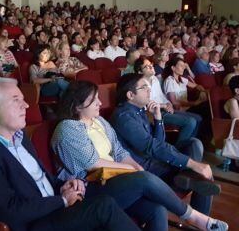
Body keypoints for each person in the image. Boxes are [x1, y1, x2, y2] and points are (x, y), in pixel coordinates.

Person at [0, 78, 141, 231]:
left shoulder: (20, 137)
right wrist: (62, 200)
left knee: (127, 204)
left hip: (54, 208)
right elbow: (9, 211)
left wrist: (64, 185)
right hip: (36, 223)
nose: (26, 105)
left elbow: (42, 180)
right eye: (16, 100)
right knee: (104, 205)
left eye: (23, 99)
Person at [52, 81, 228, 231]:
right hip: (90, 187)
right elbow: (93, 163)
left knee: (157, 209)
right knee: (143, 177)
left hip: (115, 179)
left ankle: (187, 182)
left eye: (98, 97)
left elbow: (120, 152)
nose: (99, 102)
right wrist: (133, 169)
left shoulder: (99, 122)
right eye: (93, 100)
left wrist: (135, 167)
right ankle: (194, 217)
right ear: (77, 106)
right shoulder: (68, 127)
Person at [112, 74, 223, 218]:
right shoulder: (124, 117)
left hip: (155, 160)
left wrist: (158, 118)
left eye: (148, 87)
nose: (149, 90)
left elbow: (160, 142)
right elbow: (152, 147)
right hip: (146, 167)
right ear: (130, 94)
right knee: (202, 175)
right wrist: (192, 164)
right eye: (144, 87)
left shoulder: (140, 111)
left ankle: (186, 177)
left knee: (194, 143)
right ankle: (192, 183)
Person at [134, 57, 200, 146]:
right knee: (191, 122)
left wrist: (168, 103)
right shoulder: (138, 84)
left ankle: (188, 147)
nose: (151, 67)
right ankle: (178, 150)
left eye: (151, 65)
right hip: (154, 113)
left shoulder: (154, 79)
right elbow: (147, 104)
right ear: (140, 71)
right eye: (147, 67)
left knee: (198, 119)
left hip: (164, 109)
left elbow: (161, 96)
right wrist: (164, 105)